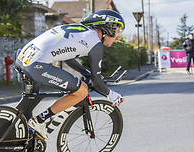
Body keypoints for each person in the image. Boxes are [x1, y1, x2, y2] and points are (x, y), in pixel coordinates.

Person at [15, 10, 125, 139]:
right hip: (36, 65)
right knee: (82, 91)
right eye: (117, 32)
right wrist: (111, 95)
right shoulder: (95, 42)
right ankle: (39, 121)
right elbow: (97, 81)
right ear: (108, 28)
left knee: (26, 109)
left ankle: (18, 132)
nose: (117, 37)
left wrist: (85, 73)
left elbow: (67, 56)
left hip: (22, 58)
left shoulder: (80, 32)